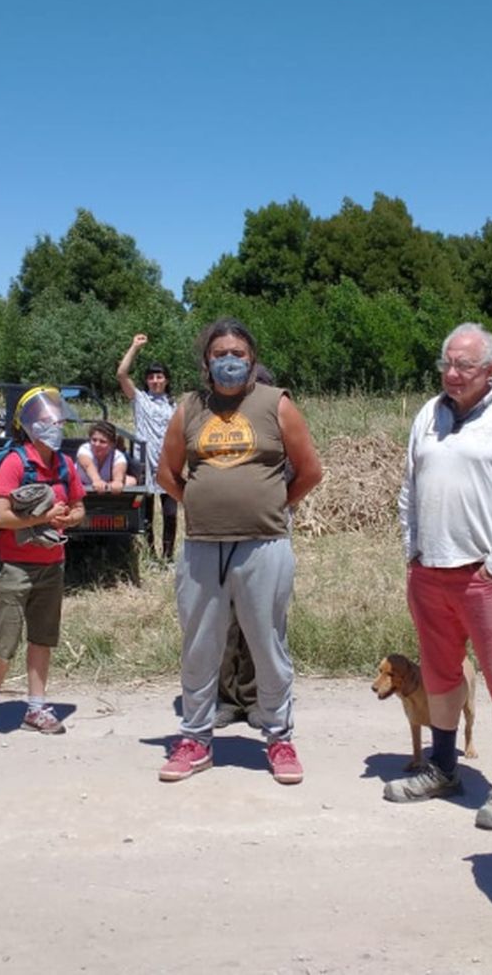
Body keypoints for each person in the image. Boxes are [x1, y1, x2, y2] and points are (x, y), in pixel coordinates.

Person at [387, 322, 492, 831]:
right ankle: (443, 766)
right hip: (429, 571)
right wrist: (413, 551)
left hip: (487, 575)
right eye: (447, 363)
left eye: (465, 366)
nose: (452, 374)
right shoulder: (427, 415)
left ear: (490, 370)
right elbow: (409, 490)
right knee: (439, 674)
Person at [155, 320, 323, 785]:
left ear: (252, 359)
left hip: (264, 543)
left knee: (268, 645)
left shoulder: (276, 404)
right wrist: (202, 503)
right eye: (219, 353)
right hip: (202, 547)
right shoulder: (189, 408)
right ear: (205, 361)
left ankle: (279, 738)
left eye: (239, 353)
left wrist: (272, 504)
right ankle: (194, 738)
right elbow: (167, 473)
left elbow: (309, 470)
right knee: (199, 645)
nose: (229, 360)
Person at [0, 386, 85, 737]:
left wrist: (68, 519)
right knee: (5, 641)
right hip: (13, 566)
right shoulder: (15, 463)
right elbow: (1, 517)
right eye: (49, 420)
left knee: (43, 639)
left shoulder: (65, 464)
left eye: (59, 419)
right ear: (29, 424)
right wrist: (43, 518)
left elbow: (79, 508)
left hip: (52, 564)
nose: (57, 425)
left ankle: (36, 707)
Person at [214, 361, 276, 729]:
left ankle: (255, 699)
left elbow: (301, 475)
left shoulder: (277, 429)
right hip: (219, 538)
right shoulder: (218, 427)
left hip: (264, 537)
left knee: (259, 623)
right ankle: (227, 699)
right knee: (224, 624)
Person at [116, 335, 176, 559]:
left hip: (169, 463)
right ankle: (150, 555)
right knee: (146, 514)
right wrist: (134, 347)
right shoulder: (140, 399)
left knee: (170, 513)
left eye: (159, 376)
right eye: (151, 377)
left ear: (166, 380)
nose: (155, 380)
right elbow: (121, 374)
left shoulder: (175, 405)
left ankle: (168, 556)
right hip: (145, 463)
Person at [76, 420, 136, 493]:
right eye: (94, 440)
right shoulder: (84, 449)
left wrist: (117, 482)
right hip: (80, 485)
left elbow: (119, 471)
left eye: (102, 442)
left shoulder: (118, 456)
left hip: (106, 484)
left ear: (112, 444)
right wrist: (97, 481)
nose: (97, 444)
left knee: (131, 481)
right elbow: (88, 466)